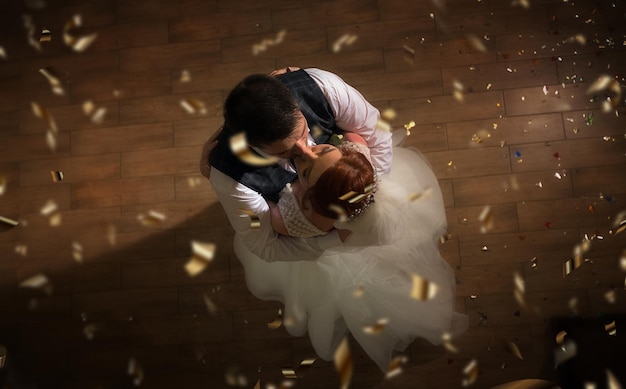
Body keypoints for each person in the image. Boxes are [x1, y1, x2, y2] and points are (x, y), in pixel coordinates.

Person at [233, 134, 468, 372]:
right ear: (352, 158)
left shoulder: (310, 221)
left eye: (304, 173)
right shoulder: (358, 174)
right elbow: (356, 136)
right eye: (324, 152)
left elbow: (266, 215)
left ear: (316, 204)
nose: (304, 155)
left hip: (328, 249)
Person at [201, 67, 392, 261]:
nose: (305, 151)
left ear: (296, 106)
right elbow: (267, 246)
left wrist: (364, 193)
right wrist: (335, 238)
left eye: (303, 133)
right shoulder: (230, 178)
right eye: (285, 151)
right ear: (249, 145)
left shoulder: (323, 86)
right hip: (308, 246)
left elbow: (379, 136)